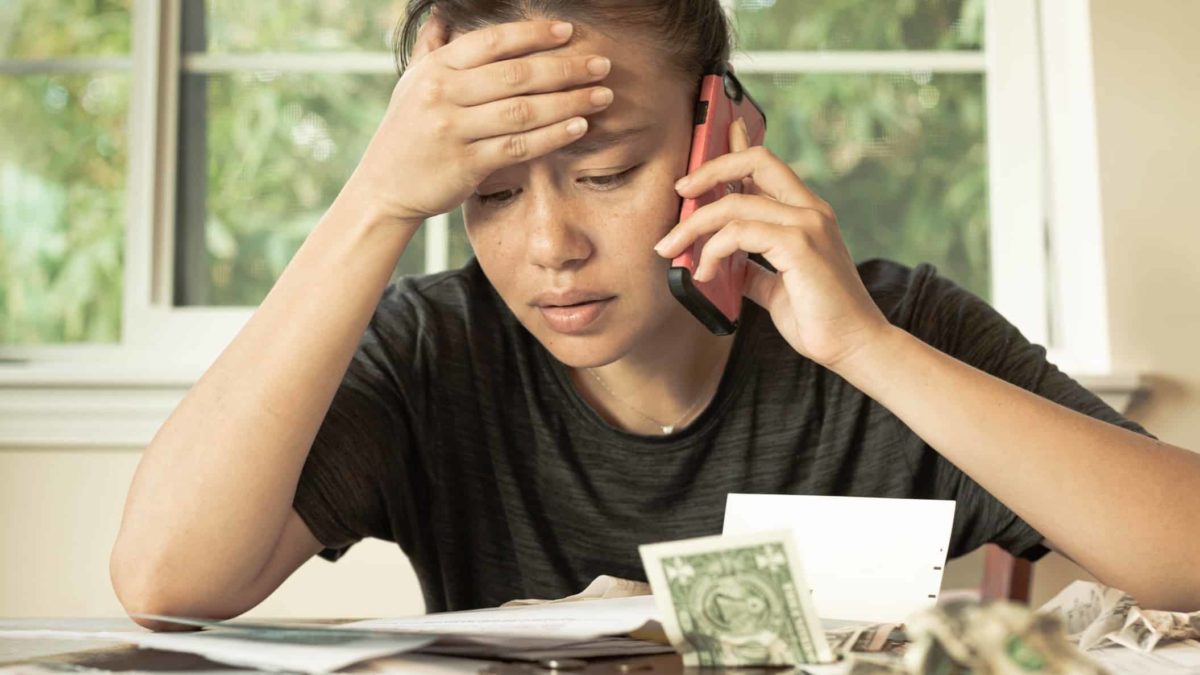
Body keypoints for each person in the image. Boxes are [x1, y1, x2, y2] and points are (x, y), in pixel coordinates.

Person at [110, 0, 1200, 630]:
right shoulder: (436, 352)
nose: (548, 248)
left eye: (605, 172)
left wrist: (864, 348)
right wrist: (377, 200)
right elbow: (168, 582)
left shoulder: (889, 326)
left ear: (720, 135)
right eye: (487, 191)